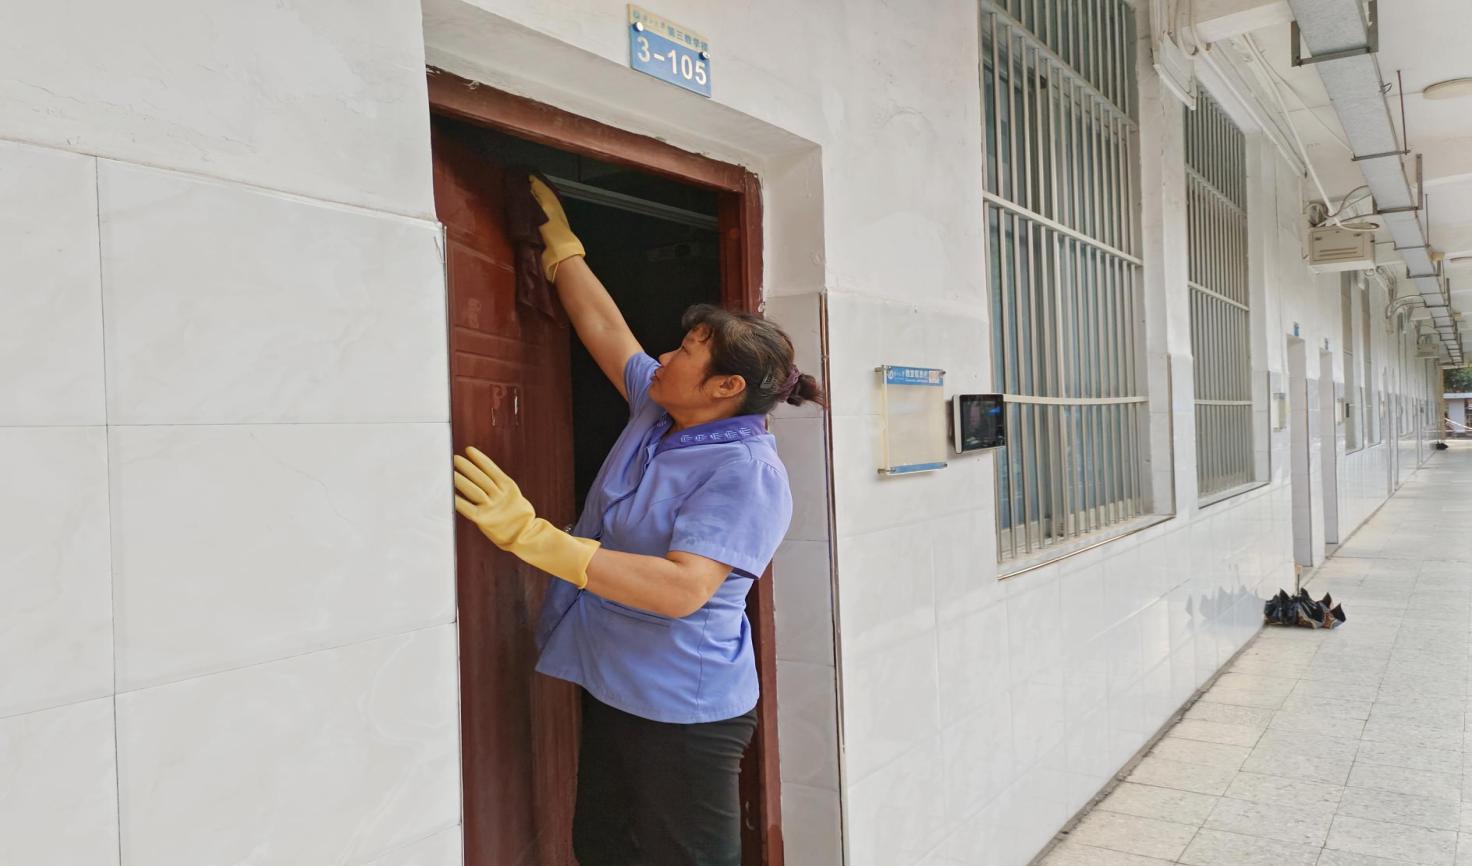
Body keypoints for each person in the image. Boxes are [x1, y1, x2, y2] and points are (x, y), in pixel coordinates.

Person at [451, 176, 824, 866]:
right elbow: (604, 327)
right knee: (601, 847)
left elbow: (683, 589)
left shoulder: (746, 473)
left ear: (726, 388)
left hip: (685, 707)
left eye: (687, 352)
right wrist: (563, 251)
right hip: (617, 683)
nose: (667, 355)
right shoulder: (660, 408)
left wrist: (534, 538)